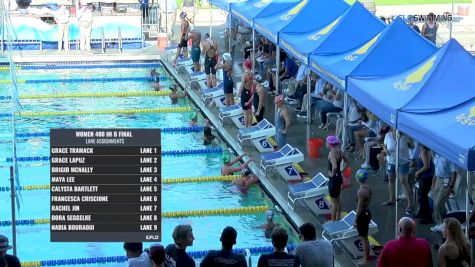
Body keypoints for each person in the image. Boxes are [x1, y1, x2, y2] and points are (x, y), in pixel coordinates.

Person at [381, 128, 415, 214]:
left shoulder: (406, 136)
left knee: (403, 181)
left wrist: (410, 141)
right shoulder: (388, 135)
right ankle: (391, 199)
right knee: (391, 179)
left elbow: (412, 147)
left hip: (403, 162)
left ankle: (410, 203)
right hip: (391, 161)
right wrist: (385, 150)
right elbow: (384, 145)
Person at [431, 154, 458, 232]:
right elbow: (436, 170)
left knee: (438, 203)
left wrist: (450, 187)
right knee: (436, 204)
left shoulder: (448, 157)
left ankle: (440, 223)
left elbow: (454, 173)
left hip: (446, 181)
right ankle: (444, 223)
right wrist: (433, 182)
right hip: (438, 180)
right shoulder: (436, 156)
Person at [326, 135, 349, 221]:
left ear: (330, 144)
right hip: (339, 178)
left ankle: (333, 221)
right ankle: (338, 217)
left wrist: (332, 174)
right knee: (338, 199)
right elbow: (347, 161)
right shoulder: (339, 151)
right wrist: (342, 171)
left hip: (334, 180)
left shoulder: (332, 153)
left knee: (333, 202)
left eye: (326, 142)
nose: (326, 144)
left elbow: (334, 166)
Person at [354, 169, 372, 265]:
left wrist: (355, 220)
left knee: (363, 238)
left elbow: (359, 207)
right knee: (365, 236)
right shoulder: (368, 187)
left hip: (362, 216)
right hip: (367, 212)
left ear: (358, 178)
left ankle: (365, 259)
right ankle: (367, 254)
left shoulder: (360, 191)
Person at [414, 145, 434, 224]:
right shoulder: (422, 151)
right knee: (421, 196)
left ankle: (427, 217)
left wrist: (418, 172)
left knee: (423, 198)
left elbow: (427, 166)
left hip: (426, 177)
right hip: (423, 177)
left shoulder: (425, 152)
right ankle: (421, 212)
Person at [238, 59, 254, 128]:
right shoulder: (252, 74)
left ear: (245, 66)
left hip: (244, 94)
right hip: (250, 93)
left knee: (245, 112)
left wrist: (238, 94)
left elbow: (241, 86)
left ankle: (246, 127)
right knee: (250, 111)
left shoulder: (244, 75)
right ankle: (250, 126)